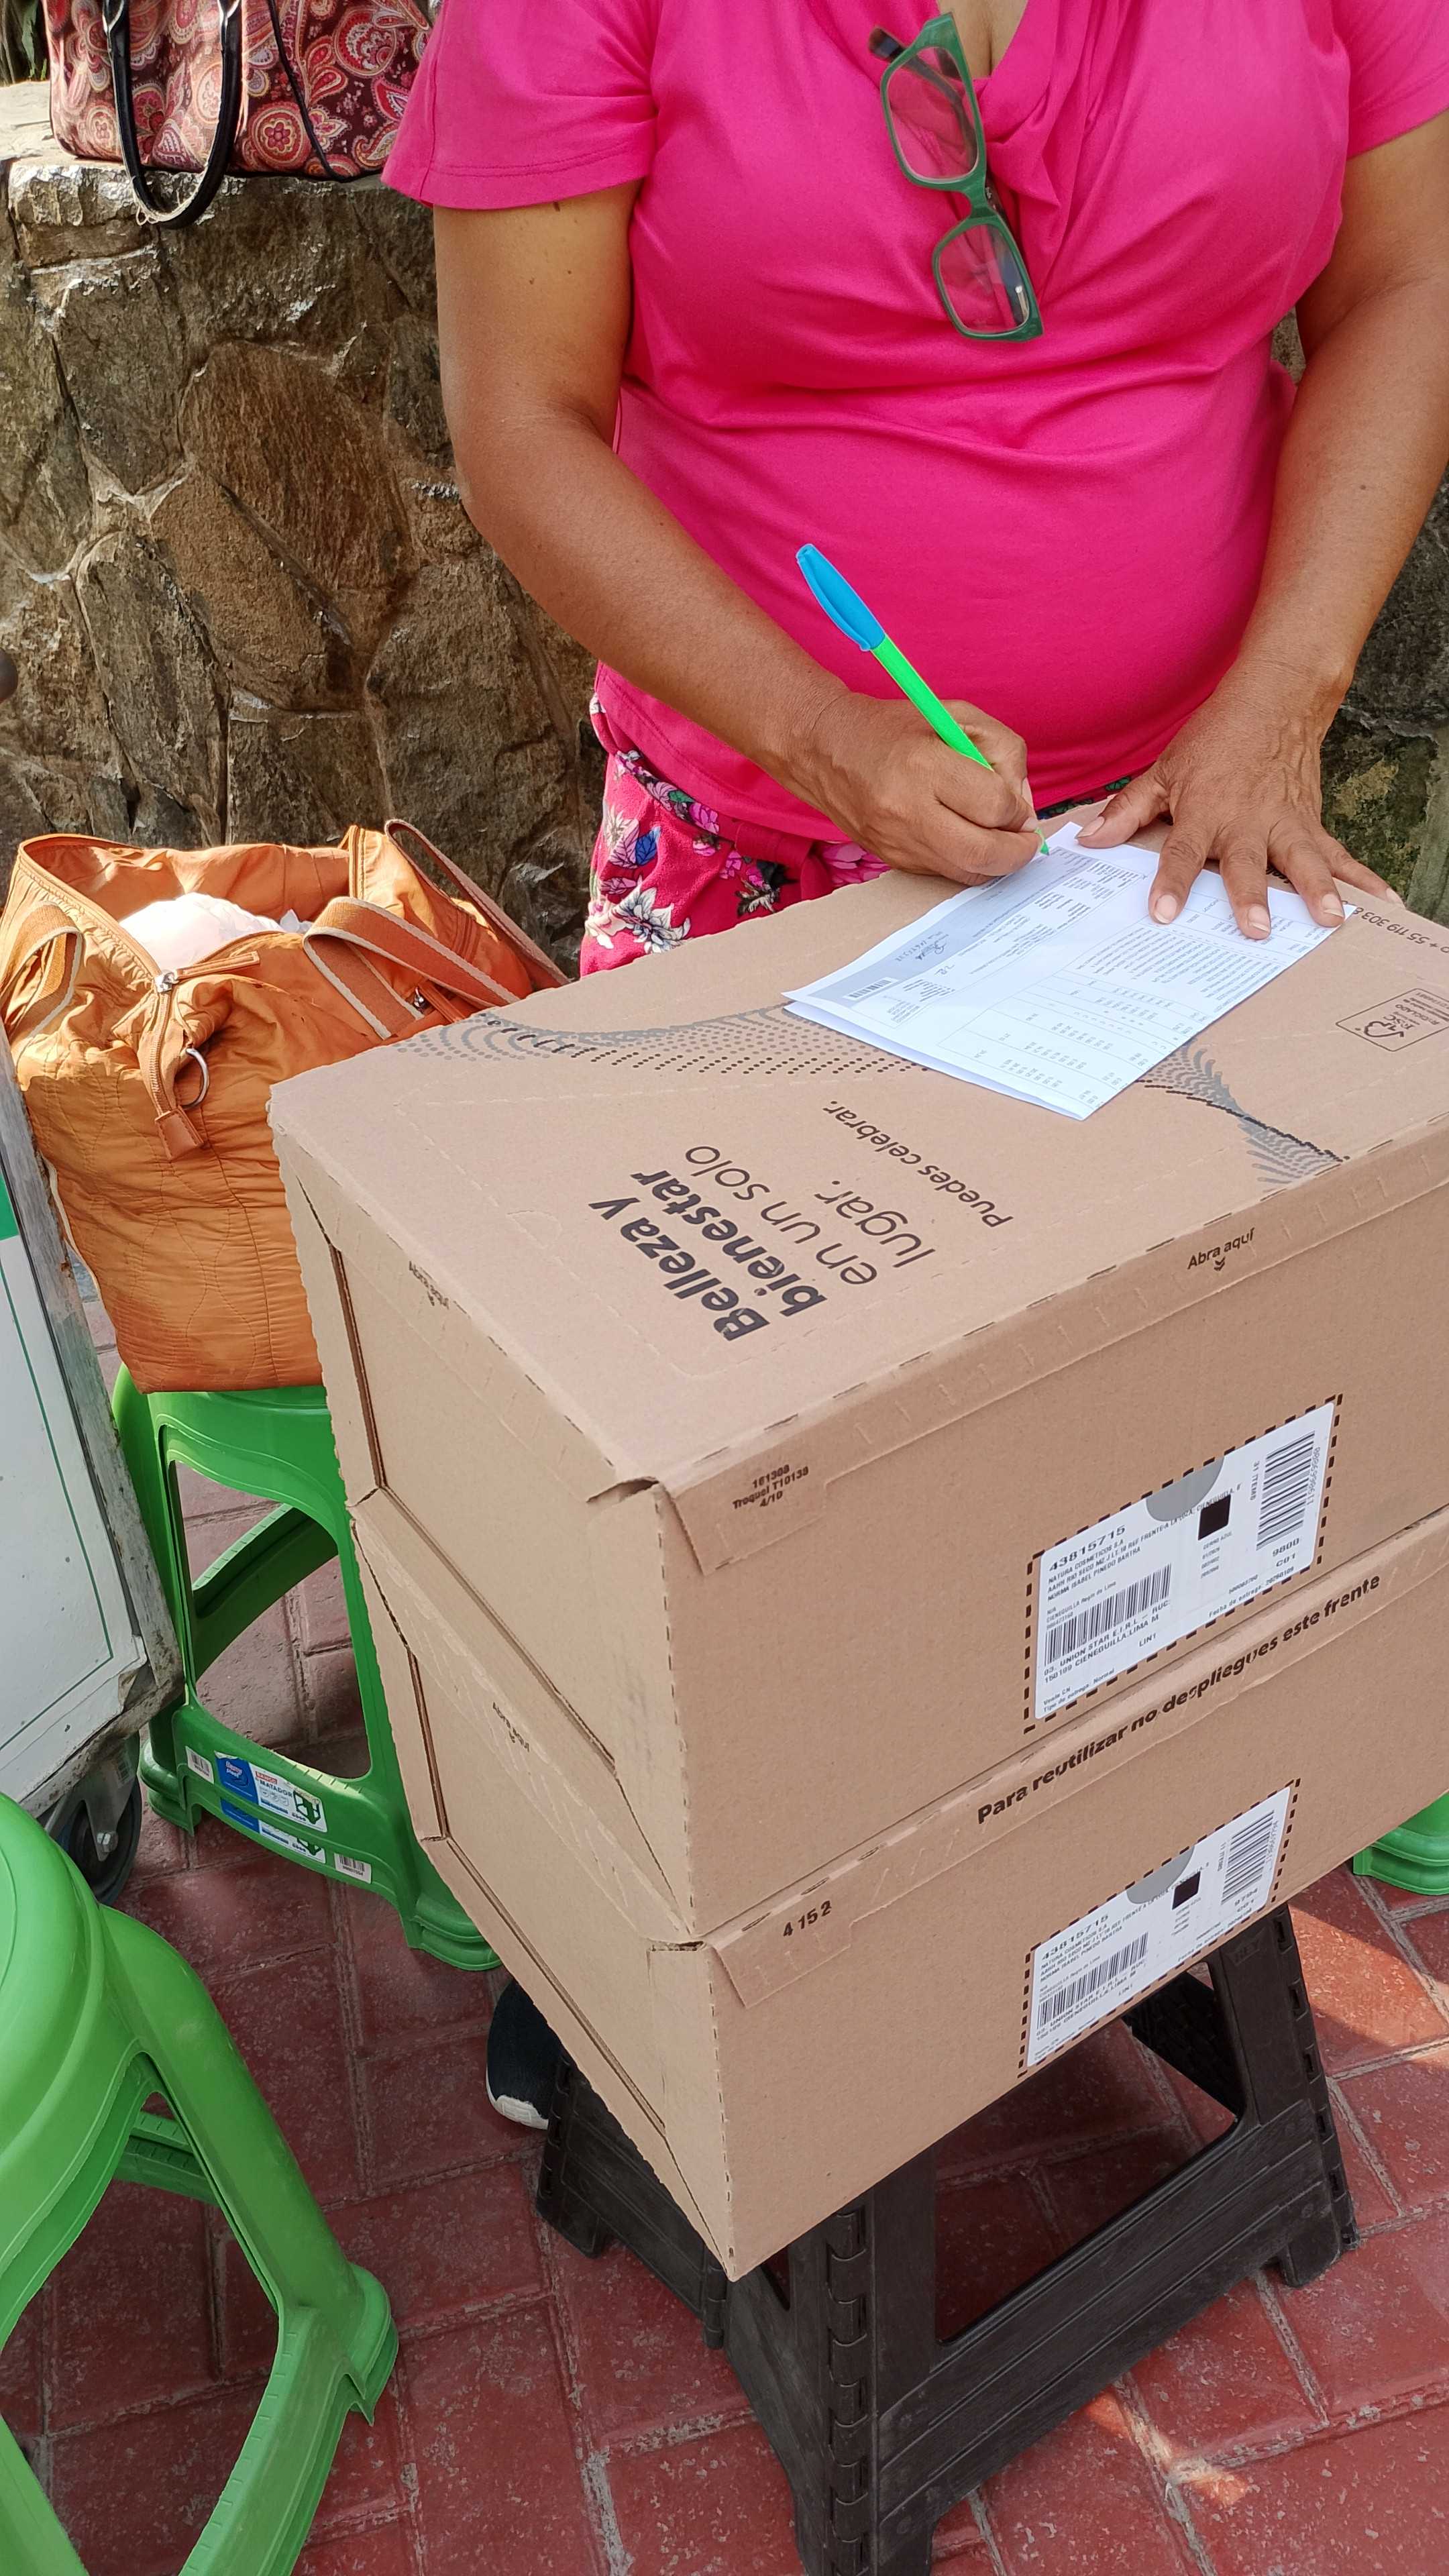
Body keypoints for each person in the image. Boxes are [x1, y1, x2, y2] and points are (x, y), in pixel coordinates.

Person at [386, 1, 1449, 2124]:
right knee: (734, 1483)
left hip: (1183, 843)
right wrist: (821, 734)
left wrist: (1281, 700)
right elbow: (525, 422)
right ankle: (658, 1940)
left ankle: (1090, 1868)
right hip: (758, 838)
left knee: (1157, 1421)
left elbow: (1405, 279)